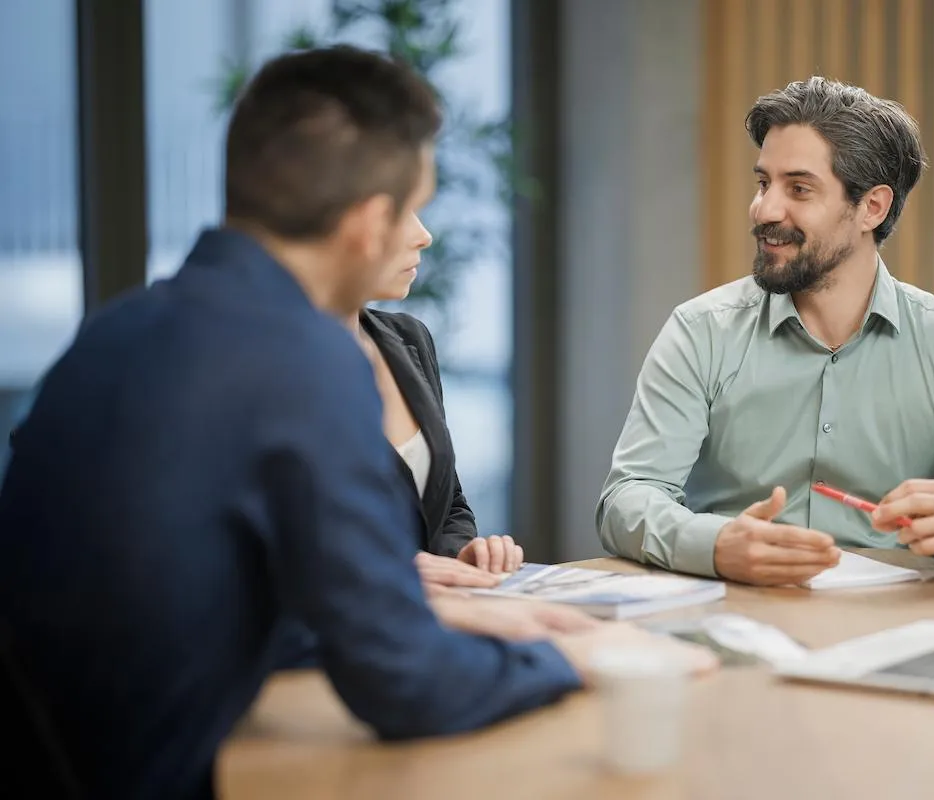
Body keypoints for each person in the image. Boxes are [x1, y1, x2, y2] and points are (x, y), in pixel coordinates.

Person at [0, 46, 712, 800]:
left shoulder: (113, 334)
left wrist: (442, 609)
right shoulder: (305, 359)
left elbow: (173, 598)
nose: (425, 233)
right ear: (369, 223)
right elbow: (403, 683)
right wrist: (579, 659)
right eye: (414, 205)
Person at [596, 77, 934, 587]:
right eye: (763, 183)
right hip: (733, 613)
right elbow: (627, 498)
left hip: (896, 627)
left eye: (799, 188)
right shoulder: (700, 332)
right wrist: (717, 545)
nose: (765, 210)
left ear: (872, 208)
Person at [351, 218, 520, 581]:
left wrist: (461, 555)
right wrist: (403, 570)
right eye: (398, 212)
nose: (424, 236)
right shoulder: (277, 368)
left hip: (428, 616)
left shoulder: (406, 337)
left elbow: (448, 505)